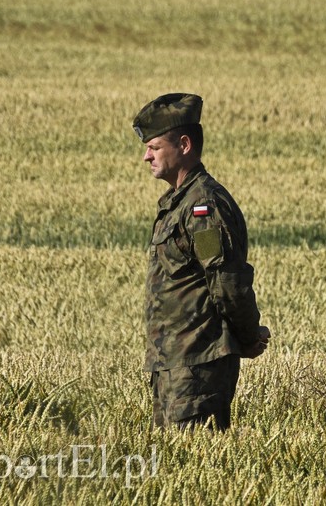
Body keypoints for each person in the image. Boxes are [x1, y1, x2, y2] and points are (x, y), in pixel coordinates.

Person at [133, 92, 269, 430]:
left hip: (198, 367)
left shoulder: (203, 209)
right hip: (173, 365)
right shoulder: (178, 203)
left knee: (194, 460)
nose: (146, 156)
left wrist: (247, 336)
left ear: (184, 145)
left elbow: (225, 280)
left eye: (155, 147)